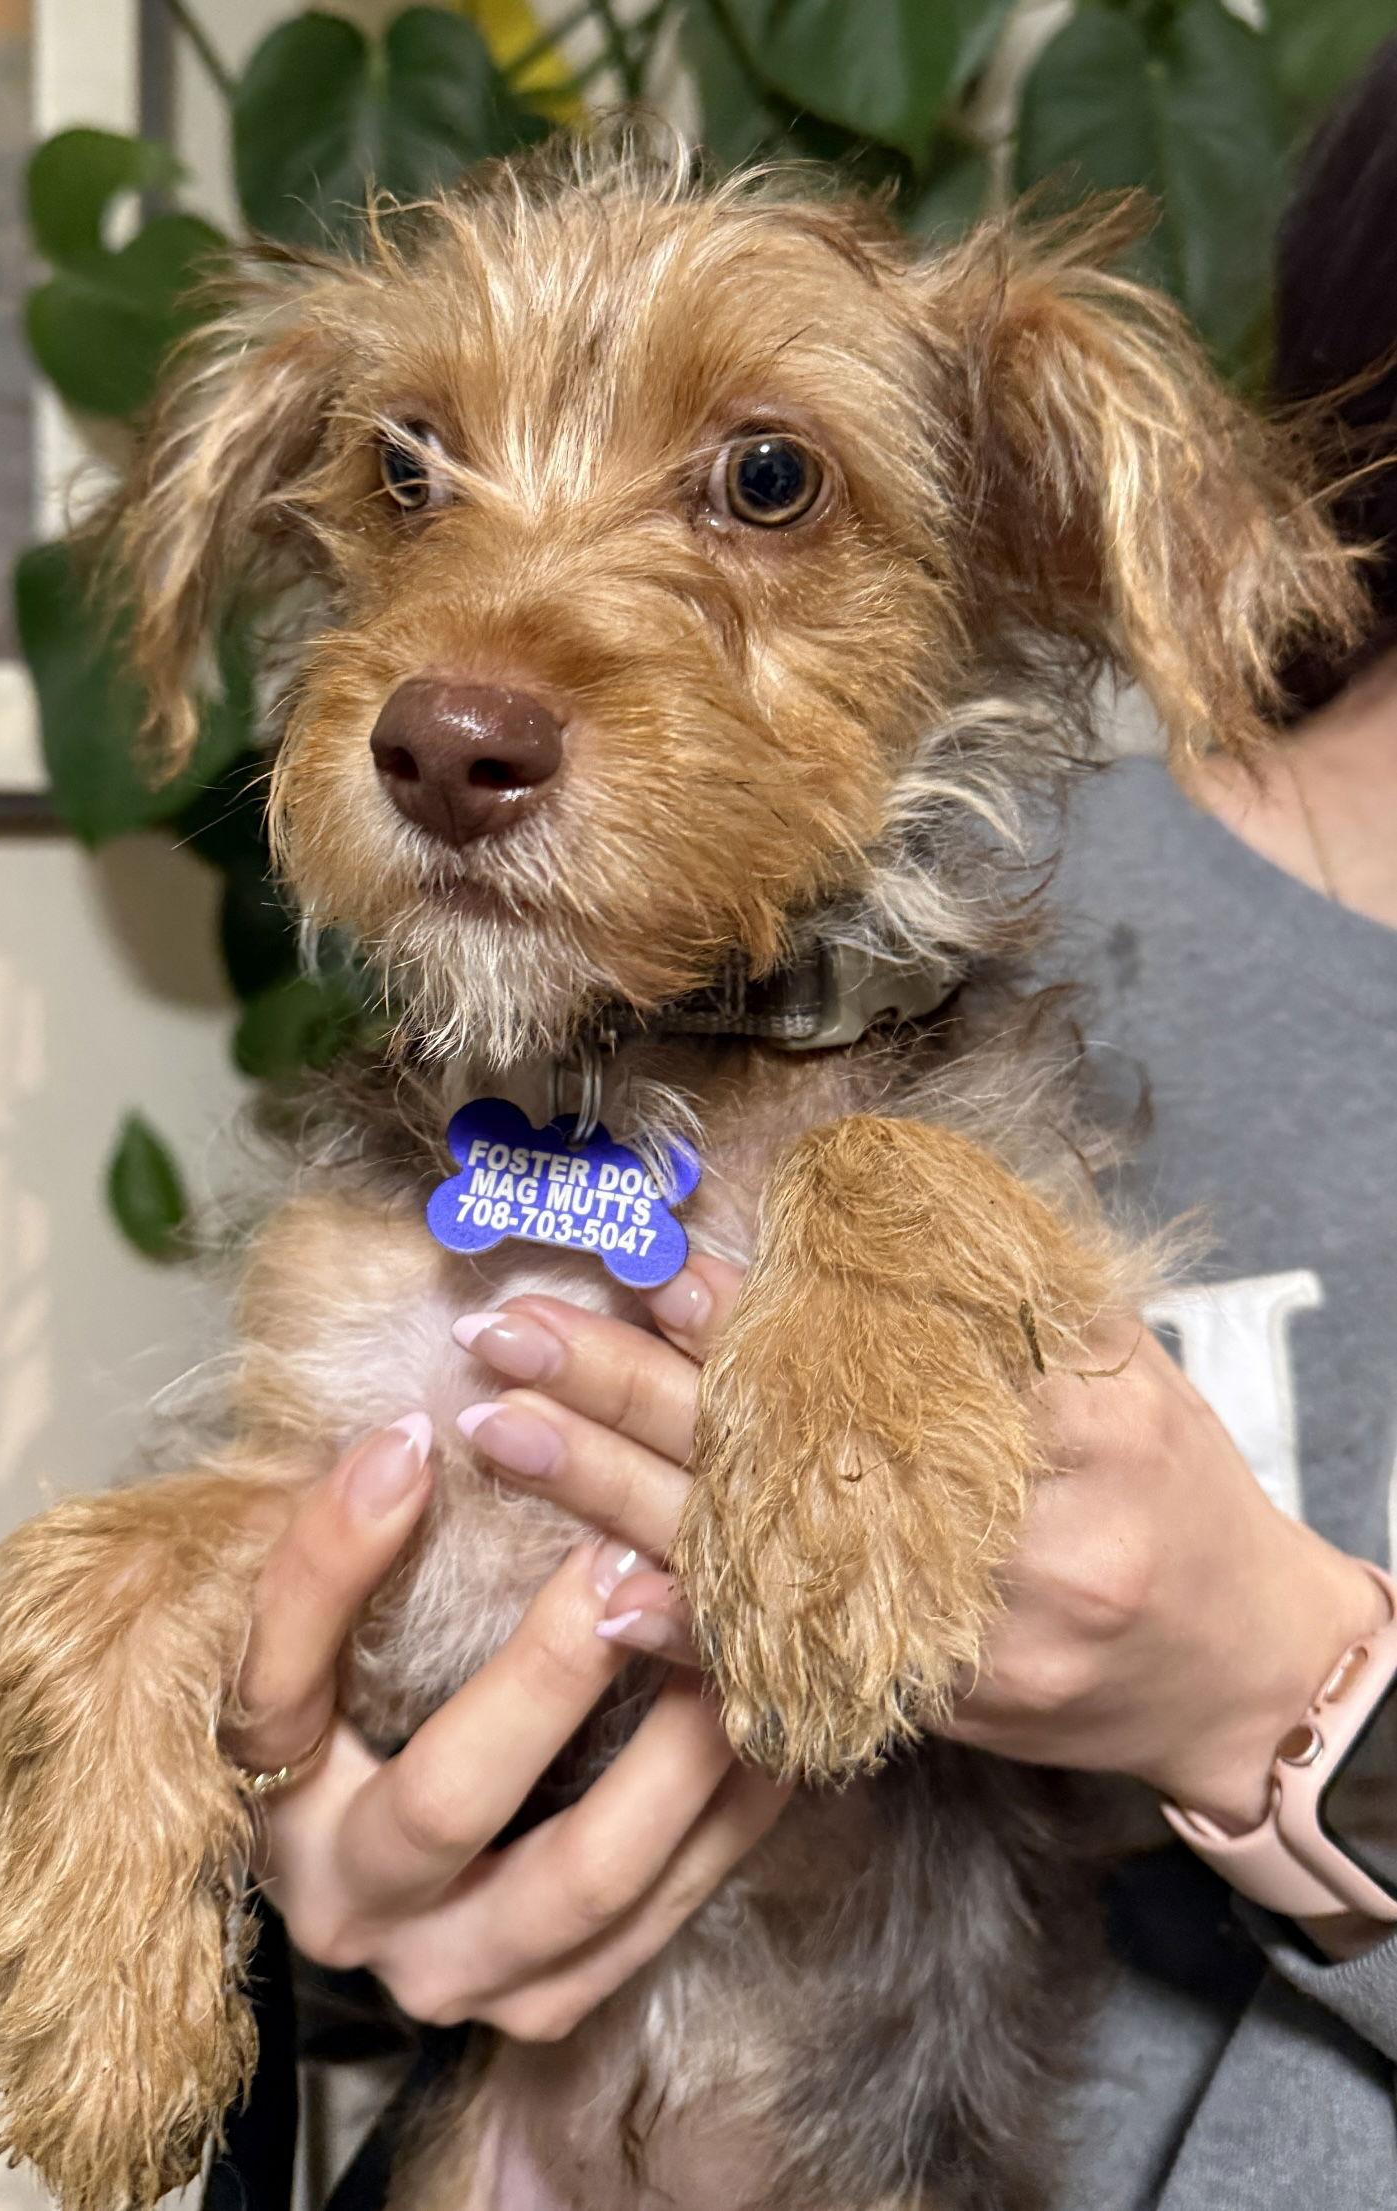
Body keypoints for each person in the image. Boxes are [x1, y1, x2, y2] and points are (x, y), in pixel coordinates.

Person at [222, 45, 1397, 2211]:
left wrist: (1292, 1691)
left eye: (757, 487)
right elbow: (377, 1782)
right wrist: (320, 1855)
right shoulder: (849, 894)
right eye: (415, 467)